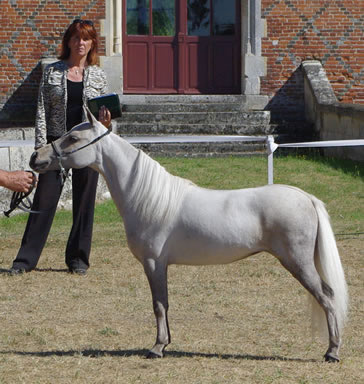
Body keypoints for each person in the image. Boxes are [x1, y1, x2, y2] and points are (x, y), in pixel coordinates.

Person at [9, 19, 112, 275]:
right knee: (44, 202)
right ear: (68, 41)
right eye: (76, 38)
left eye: (86, 39)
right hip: (56, 147)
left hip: (86, 148)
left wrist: (107, 126)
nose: (81, 43)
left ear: (92, 44)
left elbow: (106, 119)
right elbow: (42, 112)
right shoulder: (52, 71)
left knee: (85, 203)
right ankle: (24, 261)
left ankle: (78, 260)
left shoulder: (99, 75)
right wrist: (39, 149)